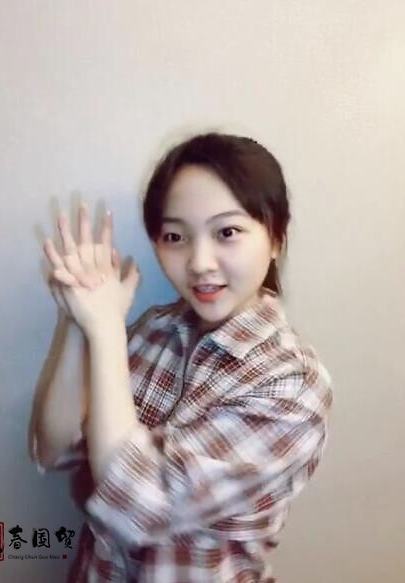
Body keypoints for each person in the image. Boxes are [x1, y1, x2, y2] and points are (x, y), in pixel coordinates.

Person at [28, 132, 333, 582]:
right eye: (175, 236)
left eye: (227, 232)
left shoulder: (292, 384)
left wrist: (106, 328)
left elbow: (136, 505)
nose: (200, 262)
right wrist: (78, 318)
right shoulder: (156, 329)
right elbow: (56, 450)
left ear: (275, 237)